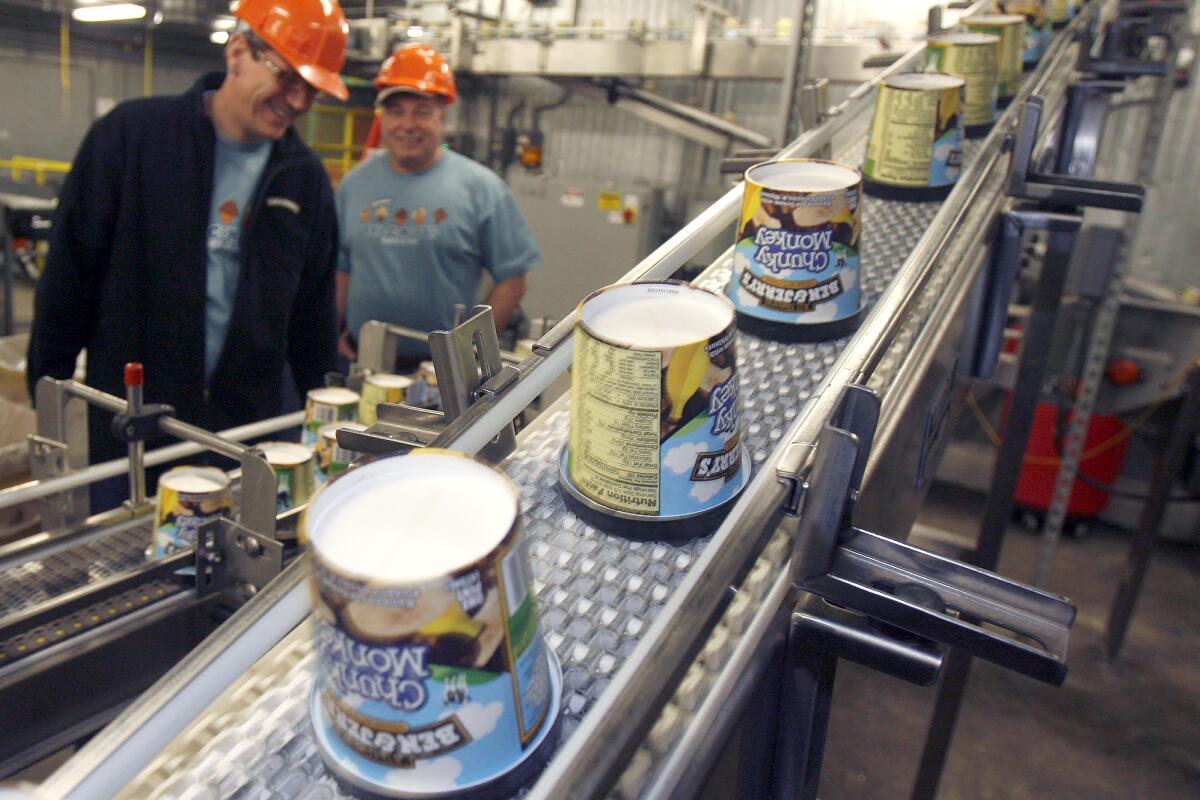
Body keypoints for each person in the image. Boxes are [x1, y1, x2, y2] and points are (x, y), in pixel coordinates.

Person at [25, 0, 349, 510]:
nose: (298, 100)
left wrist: (329, 423)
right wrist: (48, 394)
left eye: (310, 88)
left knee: (240, 571)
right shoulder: (133, 138)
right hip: (131, 428)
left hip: (245, 434)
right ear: (238, 52)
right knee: (125, 566)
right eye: (288, 78)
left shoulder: (304, 179)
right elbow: (69, 275)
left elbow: (312, 315)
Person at [336, 44, 541, 369]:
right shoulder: (353, 185)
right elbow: (341, 267)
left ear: (442, 116)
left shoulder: (481, 188)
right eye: (396, 111)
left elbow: (513, 278)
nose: (407, 124)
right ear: (383, 117)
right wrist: (333, 332)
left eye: (421, 111)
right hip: (360, 361)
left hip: (439, 372)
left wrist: (473, 352)